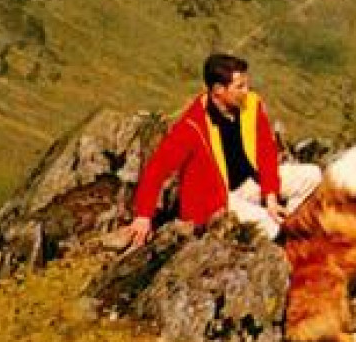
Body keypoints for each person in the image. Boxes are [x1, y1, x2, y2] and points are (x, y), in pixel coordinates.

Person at [125, 53, 321, 245]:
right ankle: (282, 241)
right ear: (218, 89)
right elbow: (158, 167)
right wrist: (143, 215)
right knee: (271, 227)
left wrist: (270, 196)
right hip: (216, 199)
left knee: (313, 175)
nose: (247, 91)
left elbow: (265, 150)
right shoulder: (192, 126)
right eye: (240, 86)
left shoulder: (251, 104)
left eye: (246, 84)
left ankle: (288, 223)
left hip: (250, 183)